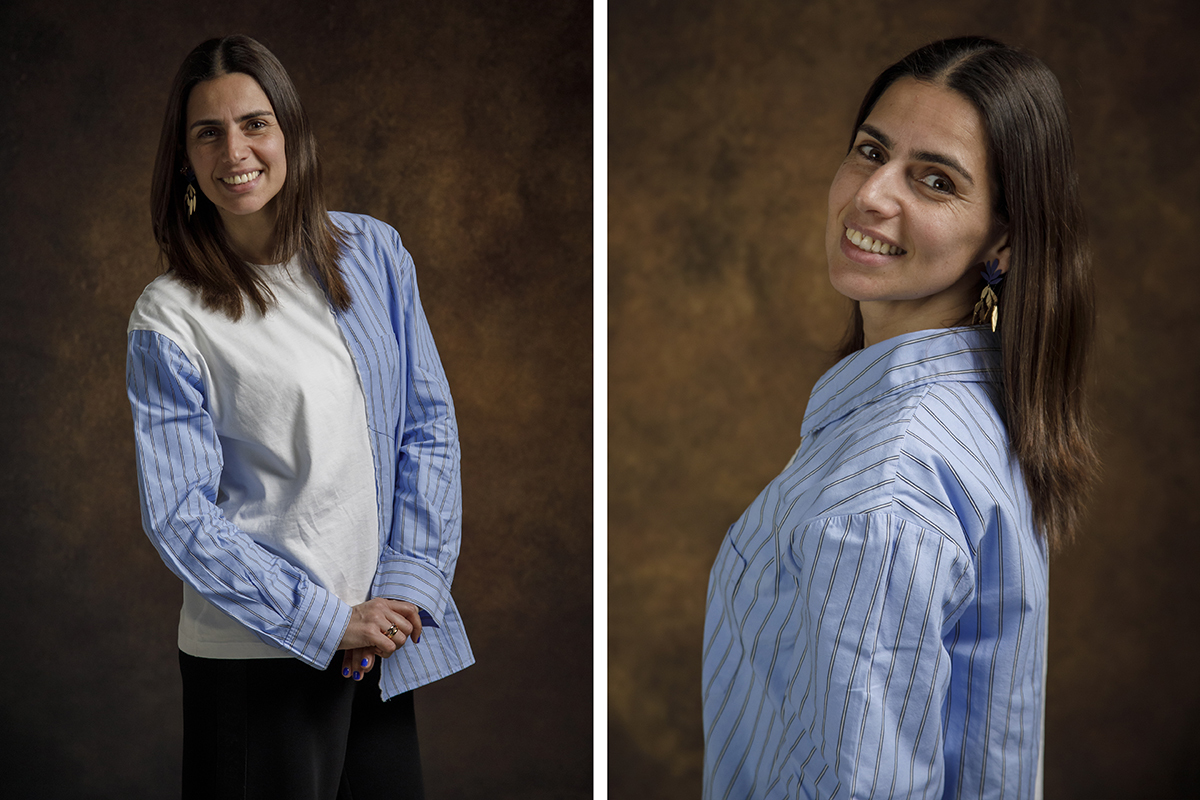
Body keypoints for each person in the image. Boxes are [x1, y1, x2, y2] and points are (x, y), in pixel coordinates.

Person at [702, 37, 1098, 799]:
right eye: (869, 151)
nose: (873, 194)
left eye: (936, 179)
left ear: (1004, 241)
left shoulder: (886, 485)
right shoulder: (977, 410)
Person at [126, 35, 472, 799]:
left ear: (290, 133)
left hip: (379, 647)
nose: (235, 151)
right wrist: (327, 621)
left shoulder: (373, 253)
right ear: (184, 159)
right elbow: (181, 516)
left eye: (255, 124)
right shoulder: (170, 315)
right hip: (256, 663)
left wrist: (406, 593)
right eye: (207, 133)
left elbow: (428, 429)